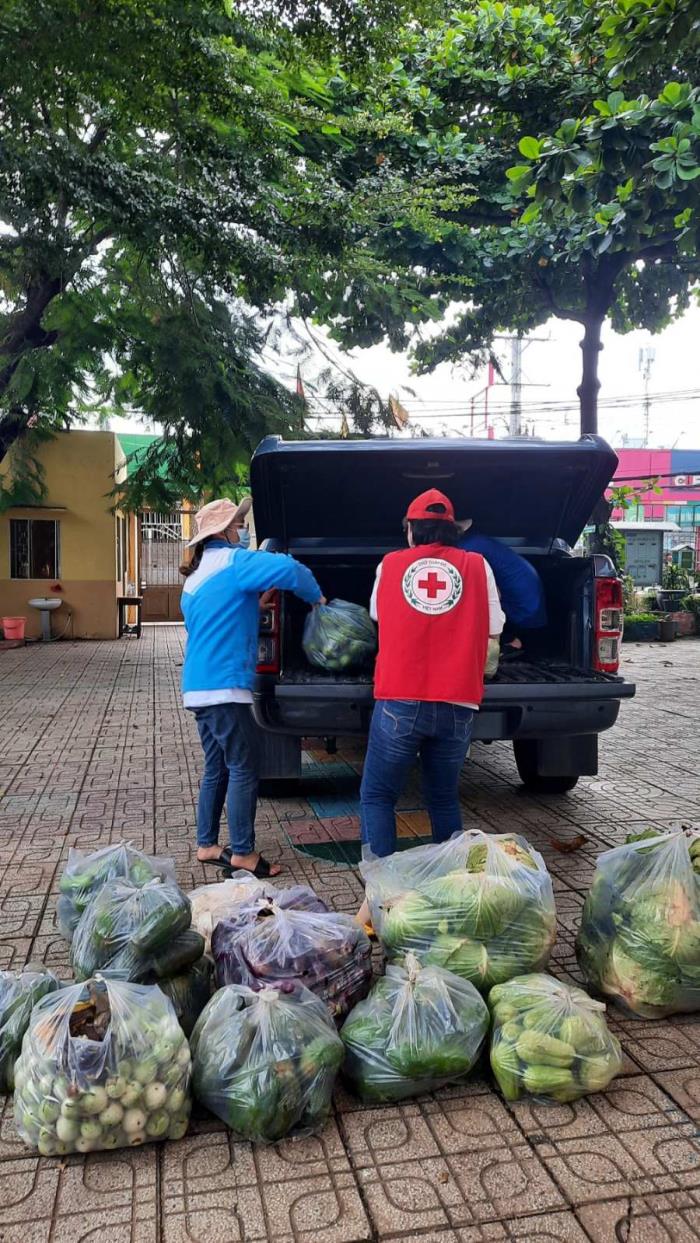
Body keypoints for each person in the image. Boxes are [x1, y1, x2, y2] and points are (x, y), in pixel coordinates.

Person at [180, 496, 325, 879]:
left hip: (197, 688)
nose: (243, 529)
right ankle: (242, 852)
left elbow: (215, 621)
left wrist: (255, 601)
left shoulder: (194, 581)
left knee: (216, 766)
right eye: (239, 524)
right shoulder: (235, 562)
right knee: (245, 765)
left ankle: (208, 845)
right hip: (225, 688)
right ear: (226, 532)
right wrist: (317, 600)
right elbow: (291, 569)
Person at [360, 488, 505, 861]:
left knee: (378, 796)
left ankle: (380, 894)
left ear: (411, 530)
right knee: (442, 797)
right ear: (453, 530)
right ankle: (452, 887)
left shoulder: (390, 565)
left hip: (400, 700)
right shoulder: (478, 565)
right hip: (458, 700)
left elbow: (377, 614)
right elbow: (496, 624)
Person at [457, 523, 547, 646]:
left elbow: (492, 593)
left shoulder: (467, 549)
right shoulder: (476, 541)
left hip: (521, 613)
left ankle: (511, 642)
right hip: (530, 604)